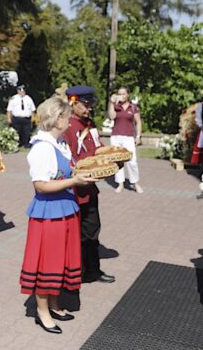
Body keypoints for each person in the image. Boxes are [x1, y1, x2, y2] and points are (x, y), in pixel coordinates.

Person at [19, 97, 97, 334]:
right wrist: (74, 181)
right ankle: (42, 311)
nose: (70, 121)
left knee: (61, 260)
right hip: (49, 213)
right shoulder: (42, 147)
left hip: (66, 208)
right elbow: (40, 186)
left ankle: (54, 303)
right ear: (57, 119)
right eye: (66, 116)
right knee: (47, 262)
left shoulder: (59, 142)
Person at [63, 85, 116, 283]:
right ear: (73, 103)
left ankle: (93, 270)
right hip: (73, 189)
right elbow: (67, 157)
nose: (89, 109)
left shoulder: (89, 124)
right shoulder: (66, 126)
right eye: (85, 105)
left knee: (92, 231)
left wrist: (111, 158)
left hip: (90, 188)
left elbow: (98, 148)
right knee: (73, 235)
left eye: (90, 105)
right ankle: (74, 273)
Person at [107, 86, 143, 194]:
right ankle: (120, 184)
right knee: (118, 161)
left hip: (128, 137)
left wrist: (138, 136)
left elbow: (138, 122)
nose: (121, 96)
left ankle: (135, 183)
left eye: (123, 94)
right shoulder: (115, 106)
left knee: (132, 161)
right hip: (116, 137)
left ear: (128, 95)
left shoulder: (133, 107)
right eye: (119, 93)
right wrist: (111, 103)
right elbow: (112, 116)